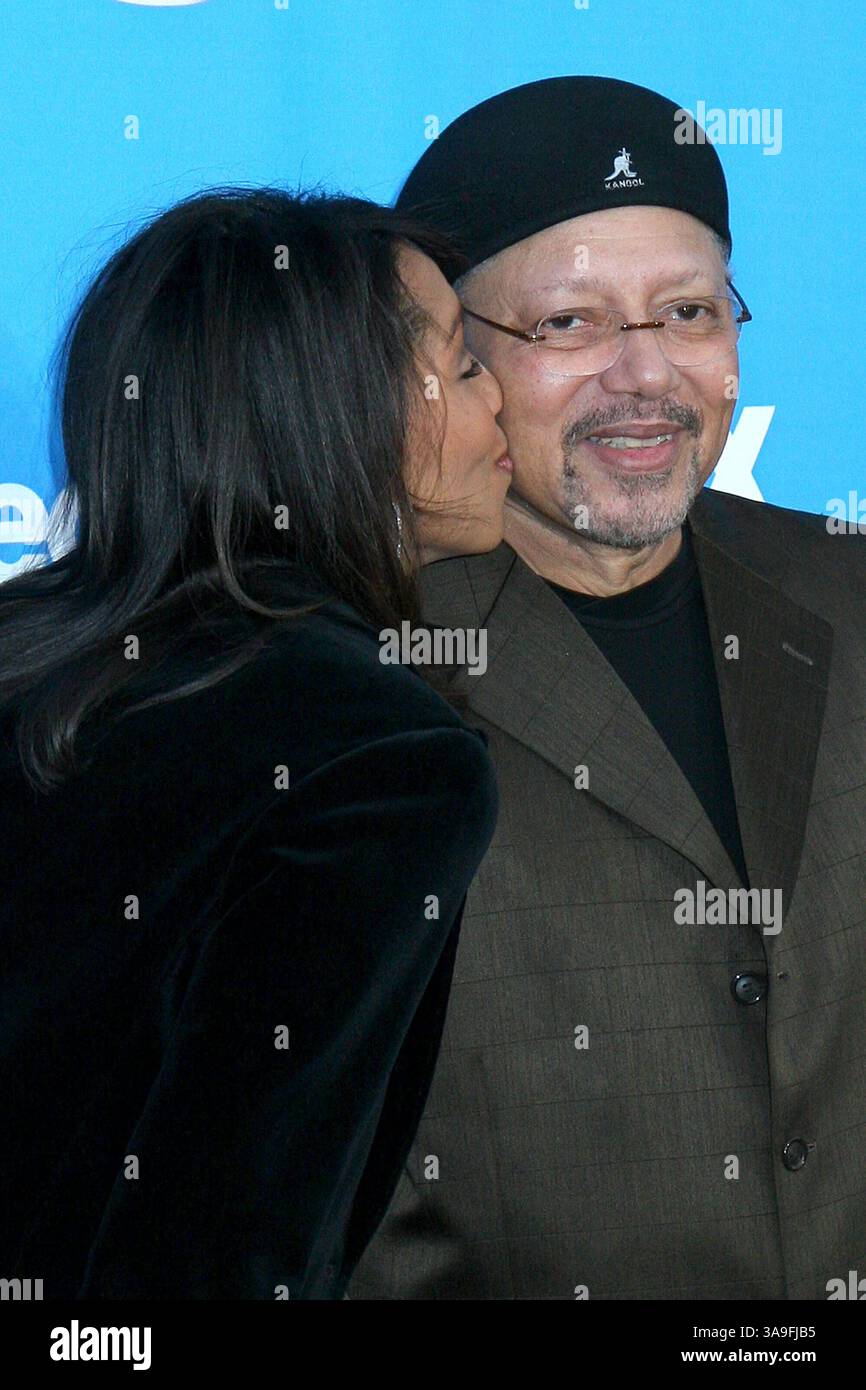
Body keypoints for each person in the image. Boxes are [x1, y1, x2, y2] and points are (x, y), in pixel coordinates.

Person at [350, 77, 866, 1300]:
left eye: (686, 311)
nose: (644, 376)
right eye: (569, 326)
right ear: (447, 365)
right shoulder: (353, 672)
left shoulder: (845, 595)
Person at [0, 186, 513, 1299]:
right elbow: (229, 1240)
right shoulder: (380, 761)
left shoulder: (27, 653)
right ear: (343, 407)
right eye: (467, 364)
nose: (501, 403)